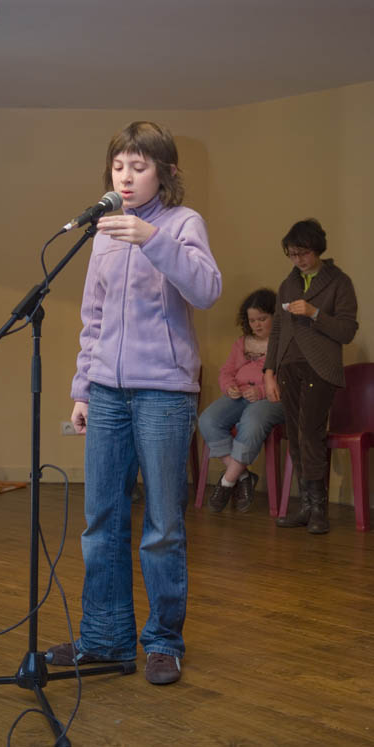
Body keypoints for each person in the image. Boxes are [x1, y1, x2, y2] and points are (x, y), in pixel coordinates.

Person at [47, 121, 221, 685]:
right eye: (118, 166)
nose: (125, 176)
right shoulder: (101, 231)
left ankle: (163, 641)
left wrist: (153, 240)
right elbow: (93, 317)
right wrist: (83, 387)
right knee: (101, 520)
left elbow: (207, 290)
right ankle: (105, 639)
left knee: (163, 525)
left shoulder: (183, 223)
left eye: (138, 166)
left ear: (164, 173)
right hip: (106, 392)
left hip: (164, 393)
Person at [264, 218, 358, 534]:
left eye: (303, 253)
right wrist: (269, 372)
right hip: (288, 367)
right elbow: (277, 330)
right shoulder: (288, 284)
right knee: (294, 434)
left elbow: (347, 331)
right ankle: (305, 506)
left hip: (321, 367)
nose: (298, 260)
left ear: (317, 249)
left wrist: (315, 313)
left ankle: (319, 510)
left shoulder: (339, 282)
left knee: (310, 433)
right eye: (292, 254)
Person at [198, 289, 285, 513]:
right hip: (240, 395)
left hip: (272, 399)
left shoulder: (284, 343)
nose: (257, 325)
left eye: (262, 319)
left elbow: (289, 379)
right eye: (252, 320)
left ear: (275, 316)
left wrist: (262, 392)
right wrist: (229, 387)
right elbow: (226, 371)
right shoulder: (241, 343)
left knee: (252, 419)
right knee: (208, 419)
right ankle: (243, 476)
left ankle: (227, 482)